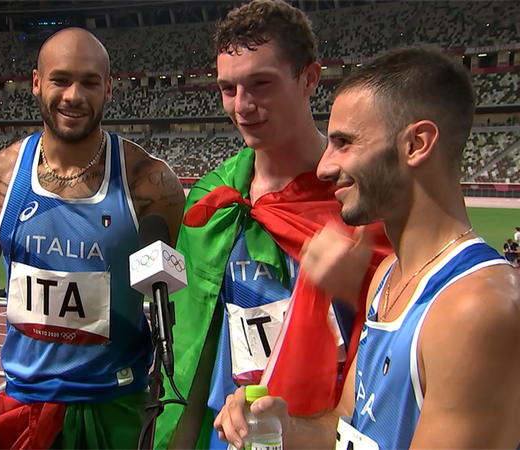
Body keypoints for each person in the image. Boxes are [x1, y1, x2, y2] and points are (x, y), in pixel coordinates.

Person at [215, 45, 520, 450]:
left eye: (344, 143)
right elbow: (346, 427)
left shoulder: (473, 309)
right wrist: (280, 428)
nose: (325, 166)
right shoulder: (387, 276)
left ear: (416, 144)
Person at [152, 2, 392, 449]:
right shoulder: (214, 198)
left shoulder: (362, 203)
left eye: (261, 83)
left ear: (309, 78)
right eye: (228, 88)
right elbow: (191, 353)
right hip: (232, 439)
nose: (242, 106)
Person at [0, 27, 186, 449]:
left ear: (109, 89)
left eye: (90, 82)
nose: (74, 95)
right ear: (36, 82)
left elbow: (176, 302)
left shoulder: (151, 183)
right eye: (60, 79)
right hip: (23, 407)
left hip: (117, 407)